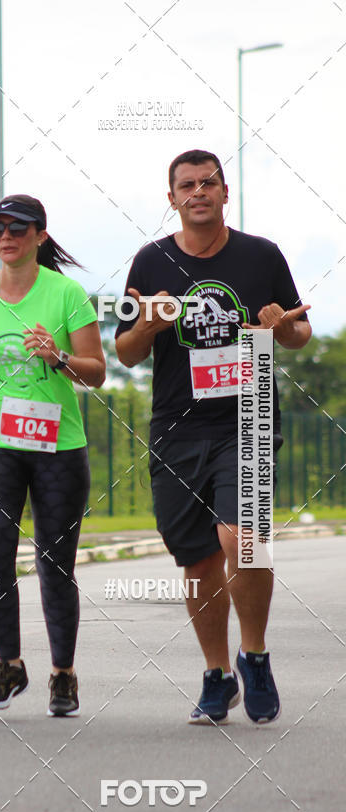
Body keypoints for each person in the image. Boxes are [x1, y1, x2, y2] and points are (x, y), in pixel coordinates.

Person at [115, 149, 311, 725]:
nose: (198, 192)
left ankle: (255, 657)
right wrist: (148, 321)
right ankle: (216, 675)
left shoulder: (261, 255)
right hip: (177, 427)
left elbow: (298, 331)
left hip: (246, 419)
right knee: (198, 561)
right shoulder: (149, 262)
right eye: (186, 185)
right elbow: (125, 352)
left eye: (209, 183)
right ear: (171, 199)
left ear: (226, 193)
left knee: (241, 538)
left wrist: (282, 326)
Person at [0, 194, 105, 716]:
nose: (6, 235)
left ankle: (62, 675)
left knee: (54, 563)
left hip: (57, 446)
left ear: (40, 236)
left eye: (17, 227)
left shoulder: (66, 295)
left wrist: (59, 356)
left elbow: (97, 371)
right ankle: (10, 664)